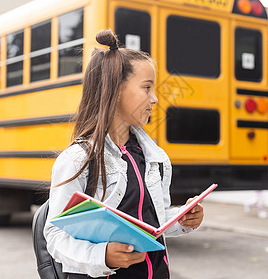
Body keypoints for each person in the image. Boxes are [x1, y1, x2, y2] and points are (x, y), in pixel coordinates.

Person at [43, 29, 204, 279]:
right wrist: (102, 256)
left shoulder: (155, 158)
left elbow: (151, 225)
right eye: (147, 88)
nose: (155, 99)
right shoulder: (77, 160)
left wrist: (181, 219)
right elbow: (55, 237)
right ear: (115, 90)